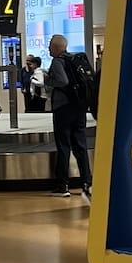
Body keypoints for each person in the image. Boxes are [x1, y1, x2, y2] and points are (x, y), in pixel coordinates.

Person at [45, 34, 92, 203]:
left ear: (57, 47)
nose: (49, 48)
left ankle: (62, 186)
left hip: (63, 109)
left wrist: (48, 80)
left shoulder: (58, 61)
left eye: (50, 45)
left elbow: (62, 81)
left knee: (63, 146)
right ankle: (87, 183)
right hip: (79, 108)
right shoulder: (74, 59)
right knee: (80, 146)